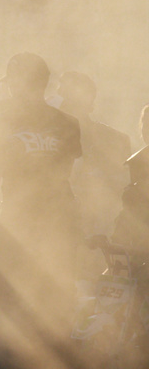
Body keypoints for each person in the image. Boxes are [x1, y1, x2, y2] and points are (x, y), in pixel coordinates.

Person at [0, 52, 82, 369]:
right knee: (55, 327)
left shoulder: (1, 118)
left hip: (21, 233)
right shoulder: (66, 122)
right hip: (59, 232)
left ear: (15, 81)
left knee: (19, 328)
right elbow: (69, 177)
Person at [57, 71, 131, 242]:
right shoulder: (50, 138)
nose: (61, 102)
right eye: (61, 96)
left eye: (66, 96)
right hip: (62, 226)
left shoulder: (114, 139)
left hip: (102, 227)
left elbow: (123, 187)